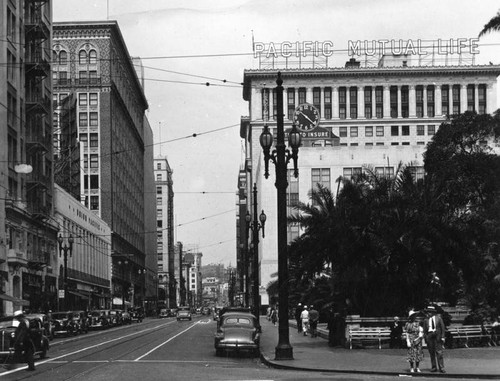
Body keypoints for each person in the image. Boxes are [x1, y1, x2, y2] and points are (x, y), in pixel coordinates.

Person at [424, 305, 446, 373]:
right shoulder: (426, 320)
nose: (428, 313)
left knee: (439, 352)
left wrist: (442, 337)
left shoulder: (438, 318)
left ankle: (441, 367)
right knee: (431, 352)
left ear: (433, 312)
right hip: (430, 335)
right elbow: (425, 330)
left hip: (437, 335)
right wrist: (426, 338)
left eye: (430, 312)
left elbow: (442, 328)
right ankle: (434, 367)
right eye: (428, 312)